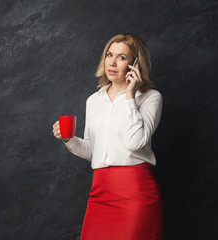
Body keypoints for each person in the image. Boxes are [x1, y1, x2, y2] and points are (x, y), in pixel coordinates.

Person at [52, 33, 163, 240]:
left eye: (121, 57)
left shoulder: (150, 97)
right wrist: (68, 139)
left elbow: (135, 143)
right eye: (109, 54)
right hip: (100, 193)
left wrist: (130, 95)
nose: (112, 62)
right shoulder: (94, 100)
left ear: (135, 64)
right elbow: (93, 151)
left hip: (135, 193)